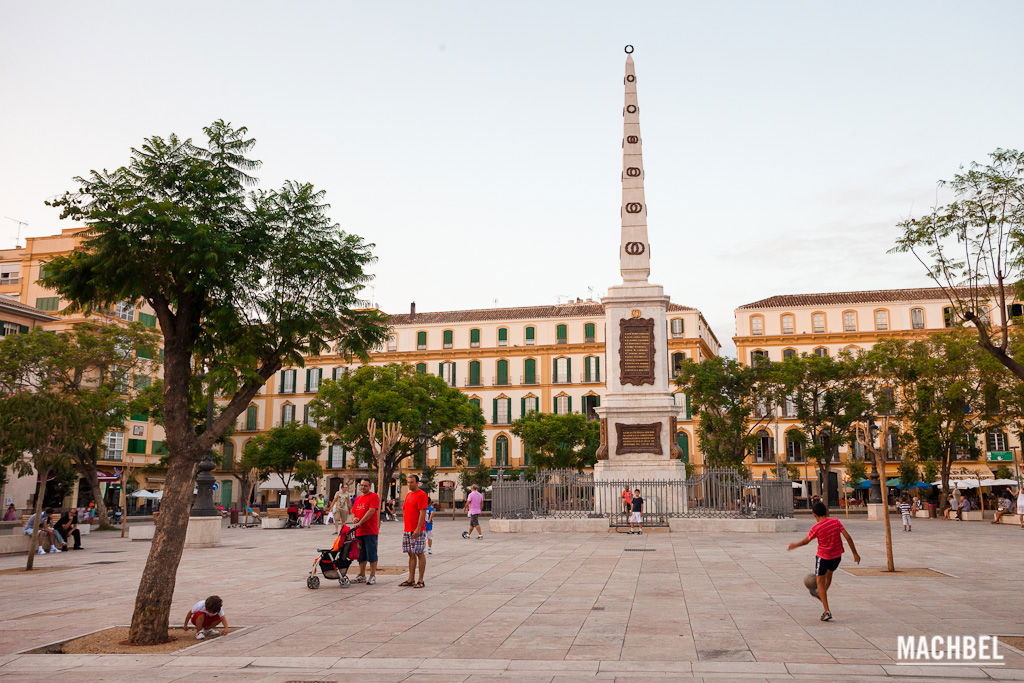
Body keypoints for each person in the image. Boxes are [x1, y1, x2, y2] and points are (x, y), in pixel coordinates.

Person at [787, 501, 861, 622]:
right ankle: (822, 594)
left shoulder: (816, 527)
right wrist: (855, 553)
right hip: (837, 556)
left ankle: (826, 610)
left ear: (814, 515)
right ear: (826, 512)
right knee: (829, 574)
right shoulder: (836, 522)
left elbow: (806, 541)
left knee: (820, 582)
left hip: (823, 557)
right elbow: (847, 537)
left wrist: (795, 545)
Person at [399, 474, 429, 589]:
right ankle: (410, 579)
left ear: (417, 483)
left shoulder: (421, 495)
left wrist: (417, 528)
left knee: (419, 553)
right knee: (410, 554)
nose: (410, 484)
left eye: (412, 482)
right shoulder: (408, 495)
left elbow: (422, 513)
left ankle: (420, 580)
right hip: (407, 529)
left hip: (418, 530)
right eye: (408, 482)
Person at [350, 478, 380, 585]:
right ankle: (361, 575)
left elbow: (371, 511)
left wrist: (361, 522)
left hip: (370, 531)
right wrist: (354, 519)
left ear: (370, 486)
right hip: (359, 532)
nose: (363, 487)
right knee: (361, 555)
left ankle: (372, 575)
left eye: (365, 485)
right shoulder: (358, 498)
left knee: (371, 553)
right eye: (361, 485)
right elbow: (353, 511)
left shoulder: (374, 497)